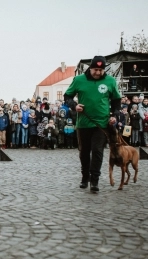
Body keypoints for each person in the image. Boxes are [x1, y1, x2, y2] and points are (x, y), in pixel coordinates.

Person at [64, 55, 121, 193]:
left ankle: (95, 180)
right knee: (84, 152)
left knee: (97, 151)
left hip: (101, 124)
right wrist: (74, 106)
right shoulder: (79, 80)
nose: (98, 72)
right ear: (90, 68)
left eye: (100, 70)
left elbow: (116, 101)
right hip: (83, 123)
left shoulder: (110, 81)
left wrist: (114, 115)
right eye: (95, 69)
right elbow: (67, 96)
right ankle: (85, 177)